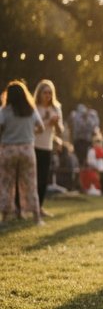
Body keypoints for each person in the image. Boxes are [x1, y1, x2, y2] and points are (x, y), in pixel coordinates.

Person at [0, 80, 45, 225]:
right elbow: (41, 128)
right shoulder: (31, 110)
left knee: (7, 183)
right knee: (30, 183)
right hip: (27, 149)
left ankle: (5, 217)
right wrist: (30, 132)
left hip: (9, 149)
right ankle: (37, 217)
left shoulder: (4, 111)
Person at [32, 80, 63, 217]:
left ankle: (39, 207)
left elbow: (60, 130)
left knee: (43, 179)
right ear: (39, 93)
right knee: (31, 178)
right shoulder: (34, 108)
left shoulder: (56, 108)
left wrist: (55, 124)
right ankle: (25, 207)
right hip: (33, 145)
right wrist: (47, 122)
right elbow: (31, 130)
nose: (48, 95)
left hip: (47, 147)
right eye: (45, 92)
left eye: (50, 92)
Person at [69, 103, 99, 182]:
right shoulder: (76, 116)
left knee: (86, 162)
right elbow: (78, 128)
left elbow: (94, 127)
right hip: (79, 142)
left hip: (87, 142)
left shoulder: (92, 115)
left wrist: (88, 119)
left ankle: (85, 181)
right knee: (80, 162)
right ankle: (80, 181)